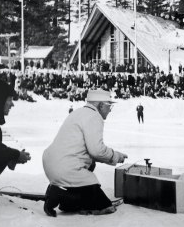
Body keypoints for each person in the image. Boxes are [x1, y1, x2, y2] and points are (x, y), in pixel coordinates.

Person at [43, 89, 128, 217]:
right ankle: (58, 193)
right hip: (66, 168)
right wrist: (116, 156)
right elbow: (96, 150)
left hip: (52, 164)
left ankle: (62, 196)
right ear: (100, 105)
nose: (110, 110)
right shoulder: (94, 116)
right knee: (105, 206)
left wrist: (113, 157)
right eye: (109, 106)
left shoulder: (79, 112)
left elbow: (90, 151)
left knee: (90, 166)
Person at [0, 74, 31, 206]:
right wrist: (16, 155)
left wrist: (12, 156)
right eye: (10, 99)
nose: (12, 104)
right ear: (0, 100)